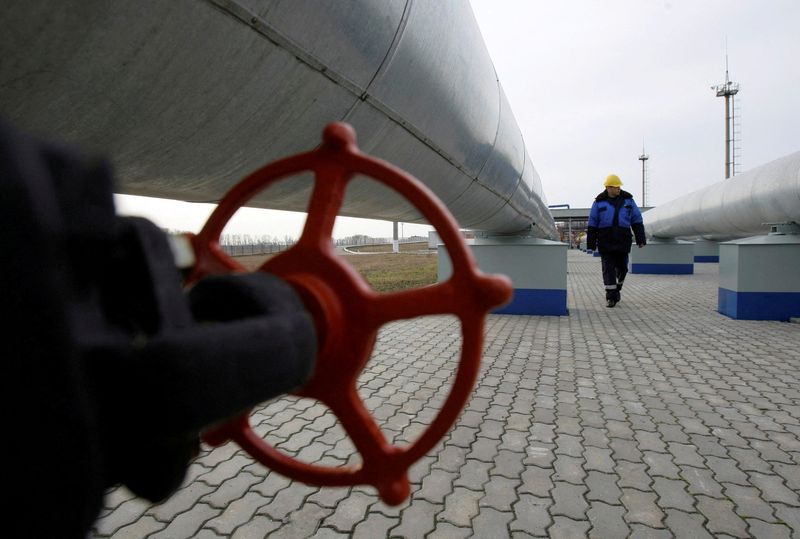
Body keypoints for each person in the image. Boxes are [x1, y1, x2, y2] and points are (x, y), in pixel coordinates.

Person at [586, 174, 646, 308]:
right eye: (615, 187)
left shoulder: (628, 201)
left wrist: (640, 238)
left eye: (619, 187)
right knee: (608, 269)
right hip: (605, 240)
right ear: (608, 188)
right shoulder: (598, 202)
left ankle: (617, 288)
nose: (618, 189)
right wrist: (591, 244)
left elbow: (636, 220)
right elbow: (592, 223)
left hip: (622, 240)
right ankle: (611, 297)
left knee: (623, 267)